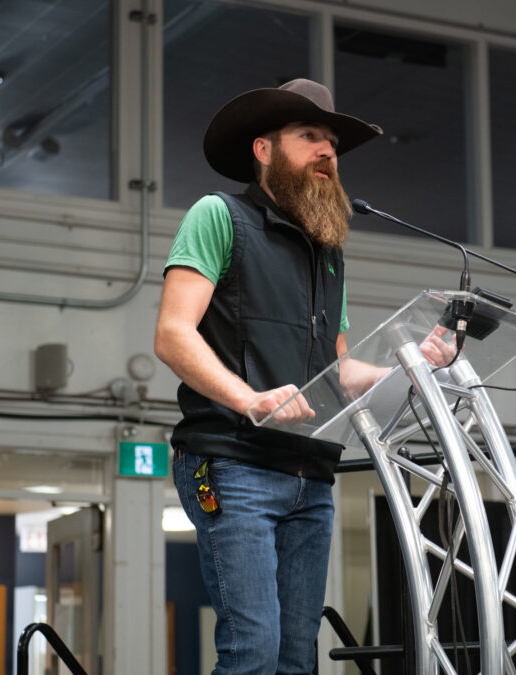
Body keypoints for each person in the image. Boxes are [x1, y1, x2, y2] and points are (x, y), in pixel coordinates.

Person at [154, 78, 384, 674]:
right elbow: (173, 334)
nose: (327, 151)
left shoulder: (328, 254)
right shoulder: (219, 216)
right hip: (233, 463)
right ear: (264, 150)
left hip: (311, 475)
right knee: (253, 653)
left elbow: (338, 368)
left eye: (332, 141)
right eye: (310, 136)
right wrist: (250, 399)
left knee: (296, 661)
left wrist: (414, 367)